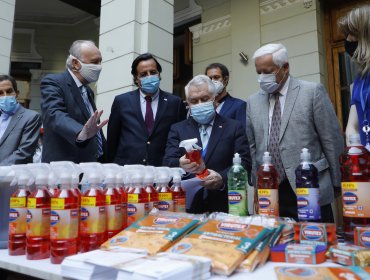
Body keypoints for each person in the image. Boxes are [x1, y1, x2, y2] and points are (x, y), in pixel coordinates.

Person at [246, 43, 344, 222]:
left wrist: (337, 183)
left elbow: (331, 139)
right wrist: (256, 185)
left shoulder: (311, 92)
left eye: (267, 71)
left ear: (285, 67)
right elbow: (254, 147)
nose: (262, 78)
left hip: (309, 185)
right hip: (270, 189)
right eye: (258, 72)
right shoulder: (253, 102)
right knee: (277, 244)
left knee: (315, 242)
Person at [163, 75, 251, 214]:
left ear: (214, 99)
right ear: (188, 104)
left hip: (224, 206)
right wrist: (180, 163)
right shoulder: (177, 129)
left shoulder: (234, 127)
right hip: (187, 207)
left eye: (204, 99)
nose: (199, 104)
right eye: (194, 101)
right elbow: (168, 161)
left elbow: (245, 163)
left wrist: (222, 178)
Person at [107, 53, 187, 166]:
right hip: (127, 170)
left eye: (153, 72)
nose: (149, 77)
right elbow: (112, 140)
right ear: (136, 79)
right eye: (143, 74)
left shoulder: (175, 103)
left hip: (163, 171)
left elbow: (181, 139)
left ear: (159, 75)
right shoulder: (121, 101)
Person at [40, 40, 108, 163]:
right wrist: (80, 132)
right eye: (94, 62)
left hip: (91, 165)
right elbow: (55, 114)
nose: (99, 66)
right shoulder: (53, 82)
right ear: (76, 63)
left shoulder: (87, 91)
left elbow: (92, 127)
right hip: (65, 167)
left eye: (100, 61)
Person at [338, 5, 370, 150]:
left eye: (352, 33)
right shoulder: (360, 79)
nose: (348, 40)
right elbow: (352, 126)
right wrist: (355, 153)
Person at [0, 75, 41, 165]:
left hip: (13, 176)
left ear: (17, 93)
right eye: (0, 93)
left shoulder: (31, 117)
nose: (5, 96)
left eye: (9, 91)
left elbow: (24, 153)